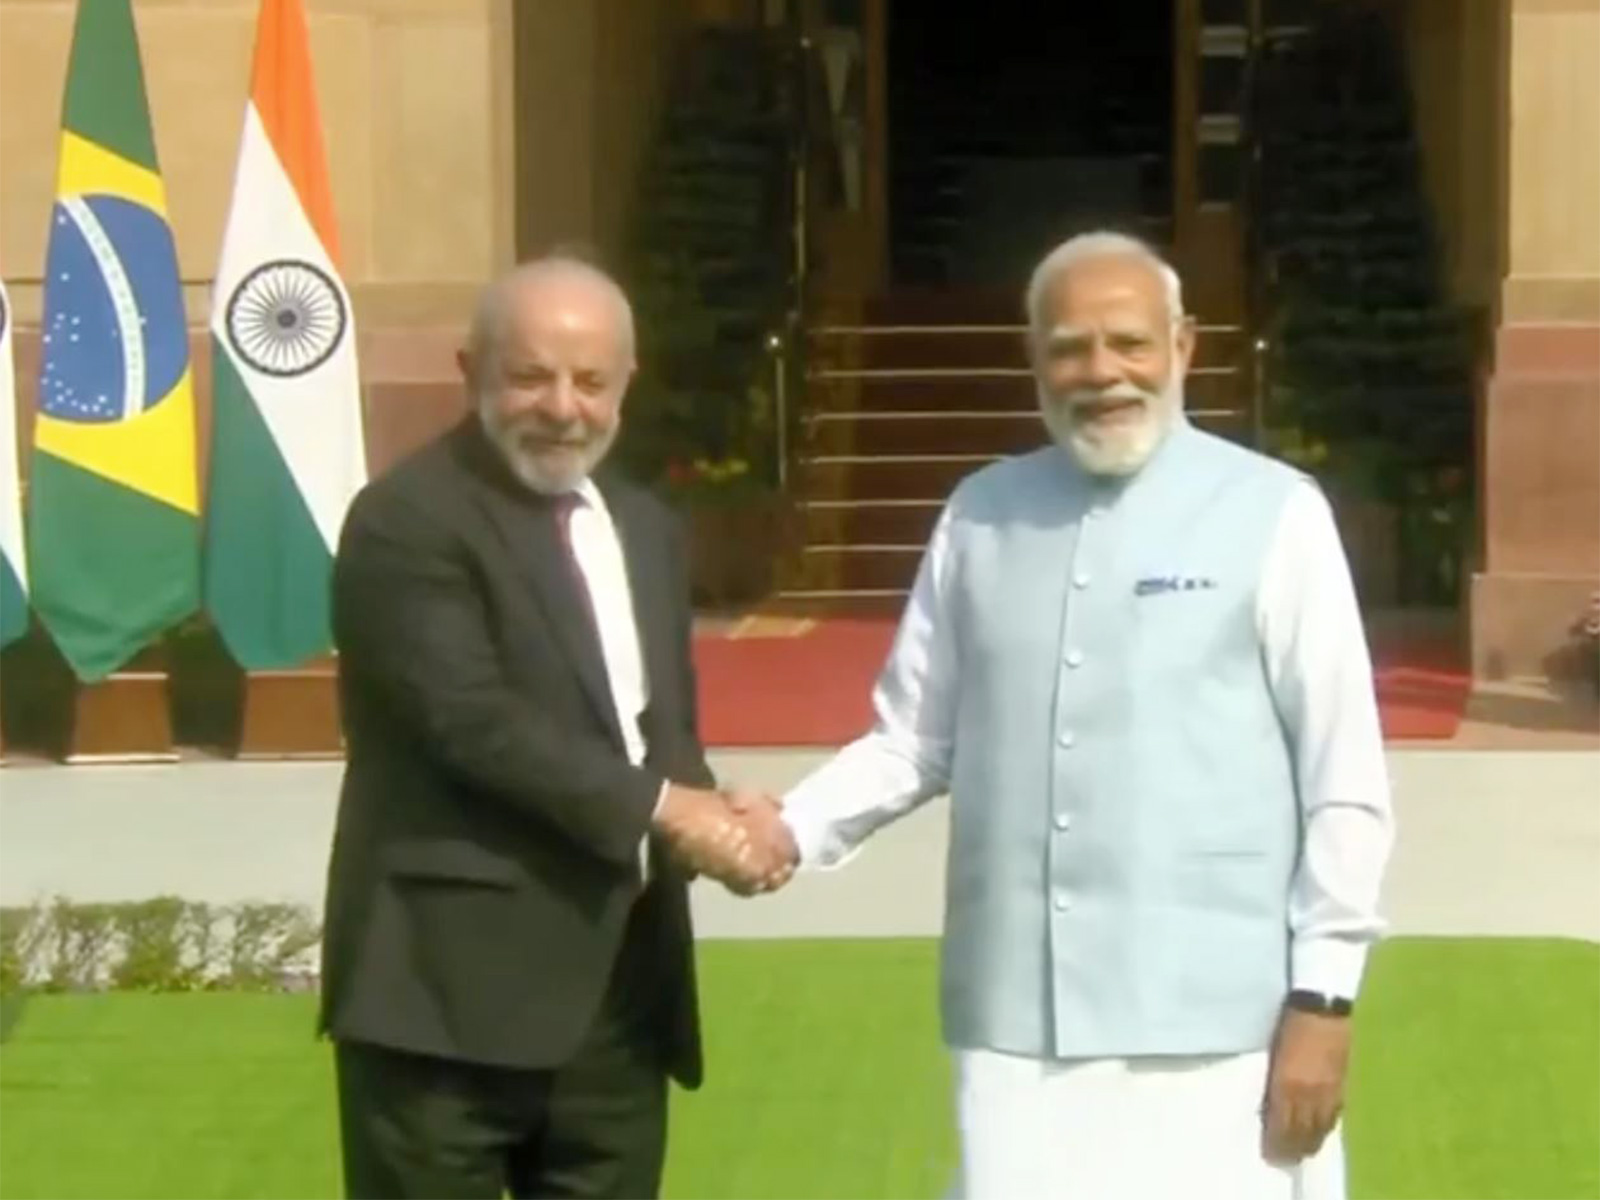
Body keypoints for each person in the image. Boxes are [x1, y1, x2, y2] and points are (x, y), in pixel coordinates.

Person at [771, 231, 1396, 1198]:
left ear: (1184, 346)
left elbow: (1344, 784)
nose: (1101, 372)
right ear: (1035, 361)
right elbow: (913, 738)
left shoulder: (1276, 513)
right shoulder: (980, 516)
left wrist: (1324, 996)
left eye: (1130, 343)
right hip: (1018, 1030)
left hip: (1220, 1025)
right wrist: (786, 827)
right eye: (1069, 348)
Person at [318, 255, 793, 1199]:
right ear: (471, 371)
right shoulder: (405, 521)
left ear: (627, 384)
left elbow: (656, 727)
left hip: (614, 1004)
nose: (562, 407)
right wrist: (671, 809)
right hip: (441, 1007)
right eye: (530, 376)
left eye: (590, 380)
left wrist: (722, 827)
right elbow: (470, 721)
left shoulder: (647, 523)